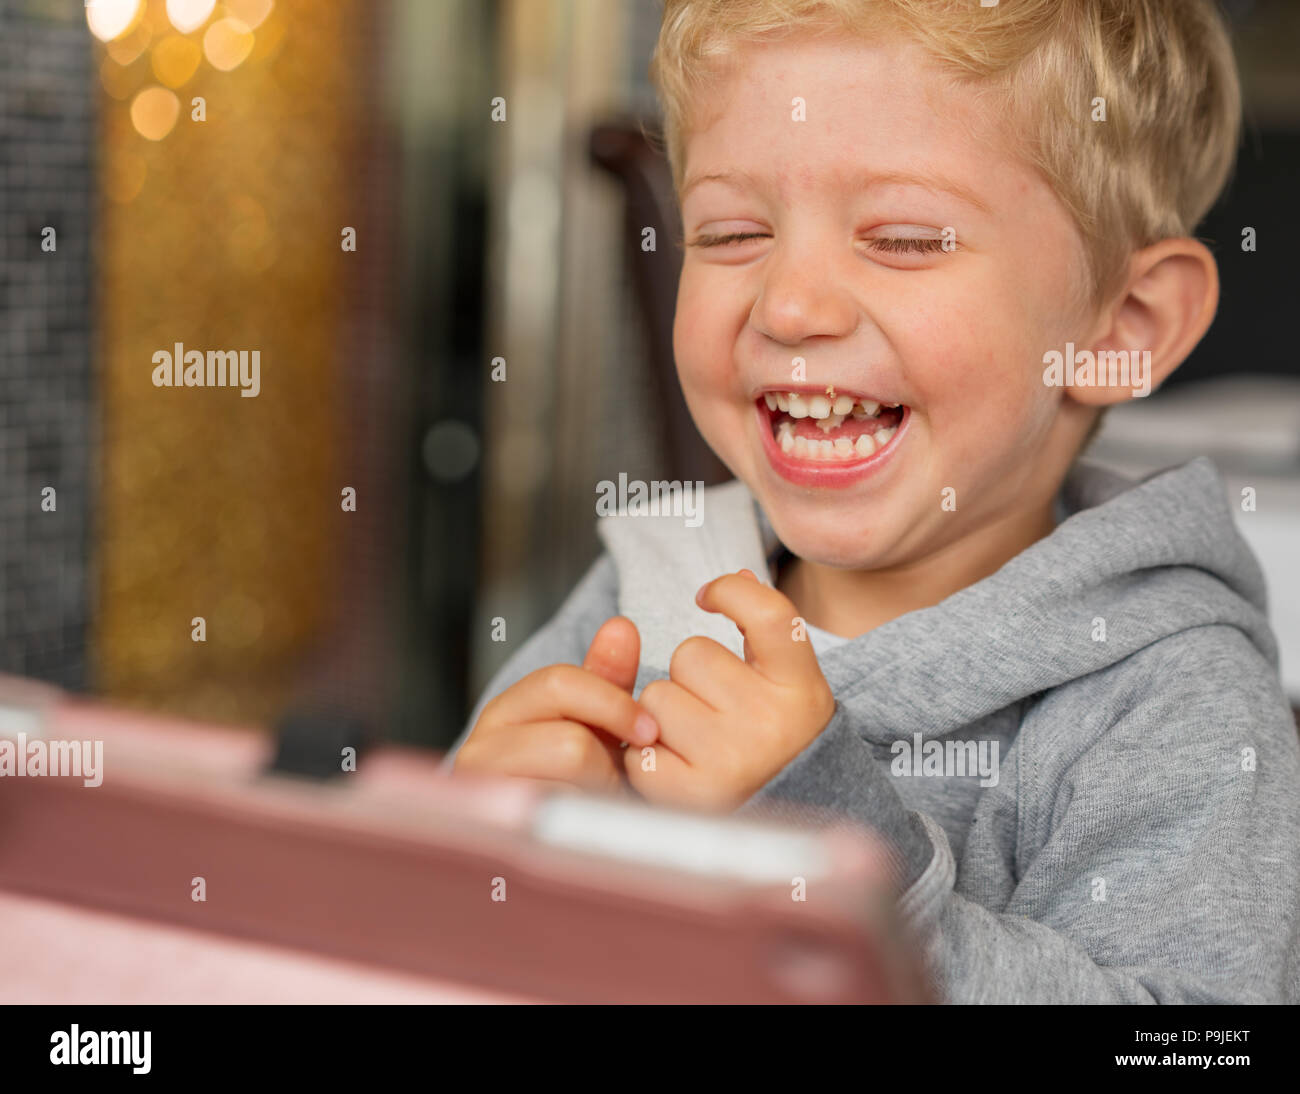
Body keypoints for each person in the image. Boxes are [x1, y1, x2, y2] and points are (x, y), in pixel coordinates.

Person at [446, 0, 1300, 1003]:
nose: (789, 304)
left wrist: (822, 848)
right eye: (730, 231)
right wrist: (483, 854)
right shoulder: (652, 582)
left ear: (1123, 322)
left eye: (899, 237)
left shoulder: (1172, 698)